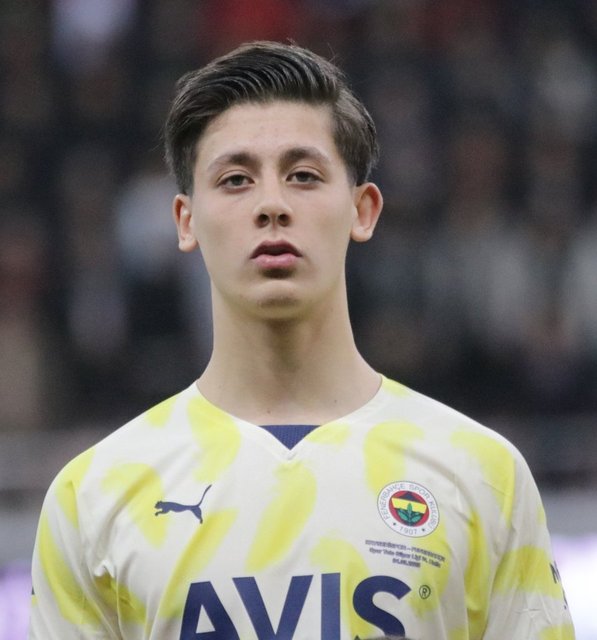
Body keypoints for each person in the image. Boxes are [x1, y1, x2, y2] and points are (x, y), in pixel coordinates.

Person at [29, 41, 575, 640]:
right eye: (236, 180)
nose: (272, 205)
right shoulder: (95, 495)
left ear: (363, 210)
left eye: (304, 176)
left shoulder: (482, 474)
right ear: (185, 220)